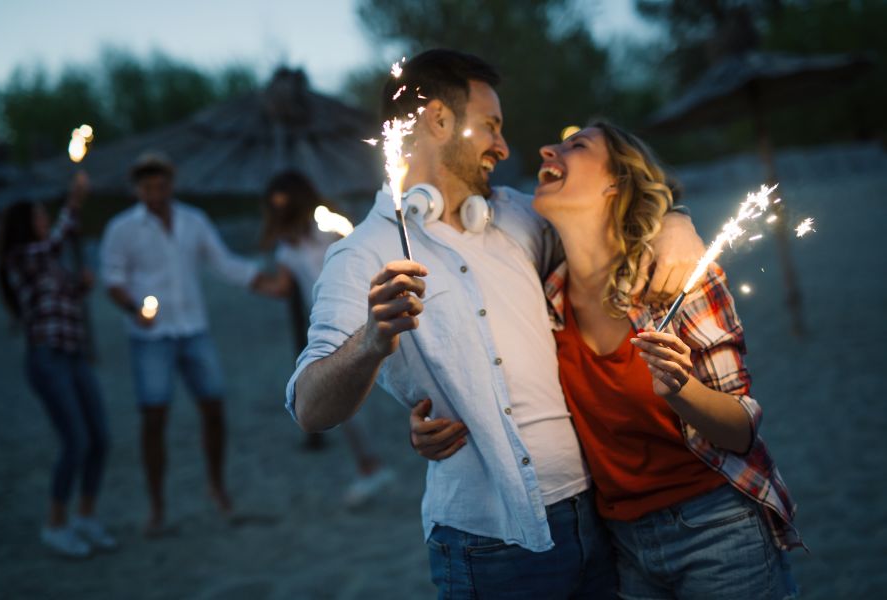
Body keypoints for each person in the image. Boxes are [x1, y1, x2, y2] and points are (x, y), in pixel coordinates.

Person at [286, 49, 705, 598]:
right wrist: (371, 341)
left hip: (599, 519)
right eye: (491, 126)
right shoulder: (362, 255)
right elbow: (310, 408)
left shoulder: (519, 215)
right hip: (489, 543)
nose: (503, 148)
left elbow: (617, 216)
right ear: (437, 118)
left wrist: (676, 221)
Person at [416, 121, 803, 599]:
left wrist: (684, 390)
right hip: (621, 544)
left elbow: (741, 431)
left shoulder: (677, 284)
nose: (547, 148)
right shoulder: (545, 296)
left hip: (716, 526)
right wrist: (432, 422)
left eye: (576, 146)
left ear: (616, 184)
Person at [100, 152, 287, 535]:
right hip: (151, 336)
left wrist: (264, 284)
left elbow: (223, 263)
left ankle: (216, 487)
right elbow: (112, 278)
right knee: (154, 418)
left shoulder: (192, 220)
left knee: (214, 408)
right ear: (137, 189)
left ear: (171, 183)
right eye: (147, 186)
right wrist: (134, 308)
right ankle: (157, 505)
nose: (155, 192)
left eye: (161, 184)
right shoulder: (122, 228)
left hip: (193, 329)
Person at [0, 173, 117, 558]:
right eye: (38, 216)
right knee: (75, 441)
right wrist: (76, 201)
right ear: (23, 224)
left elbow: (62, 297)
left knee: (99, 437)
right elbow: (54, 244)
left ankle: (85, 516)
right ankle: (55, 523)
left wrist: (80, 285)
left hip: (74, 353)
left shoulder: (48, 263)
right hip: (47, 359)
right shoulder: (21, 257)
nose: (45, 220)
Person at [260, 170, 395, 507]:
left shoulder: (328, 228)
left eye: (285, 206)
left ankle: (374, 465)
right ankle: (370, 466)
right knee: (344, 397)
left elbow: (359, 251)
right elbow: (283, 287)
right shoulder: (286, 246)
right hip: (326, 325)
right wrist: (243, 275)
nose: (281, 213)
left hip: (360, 310)